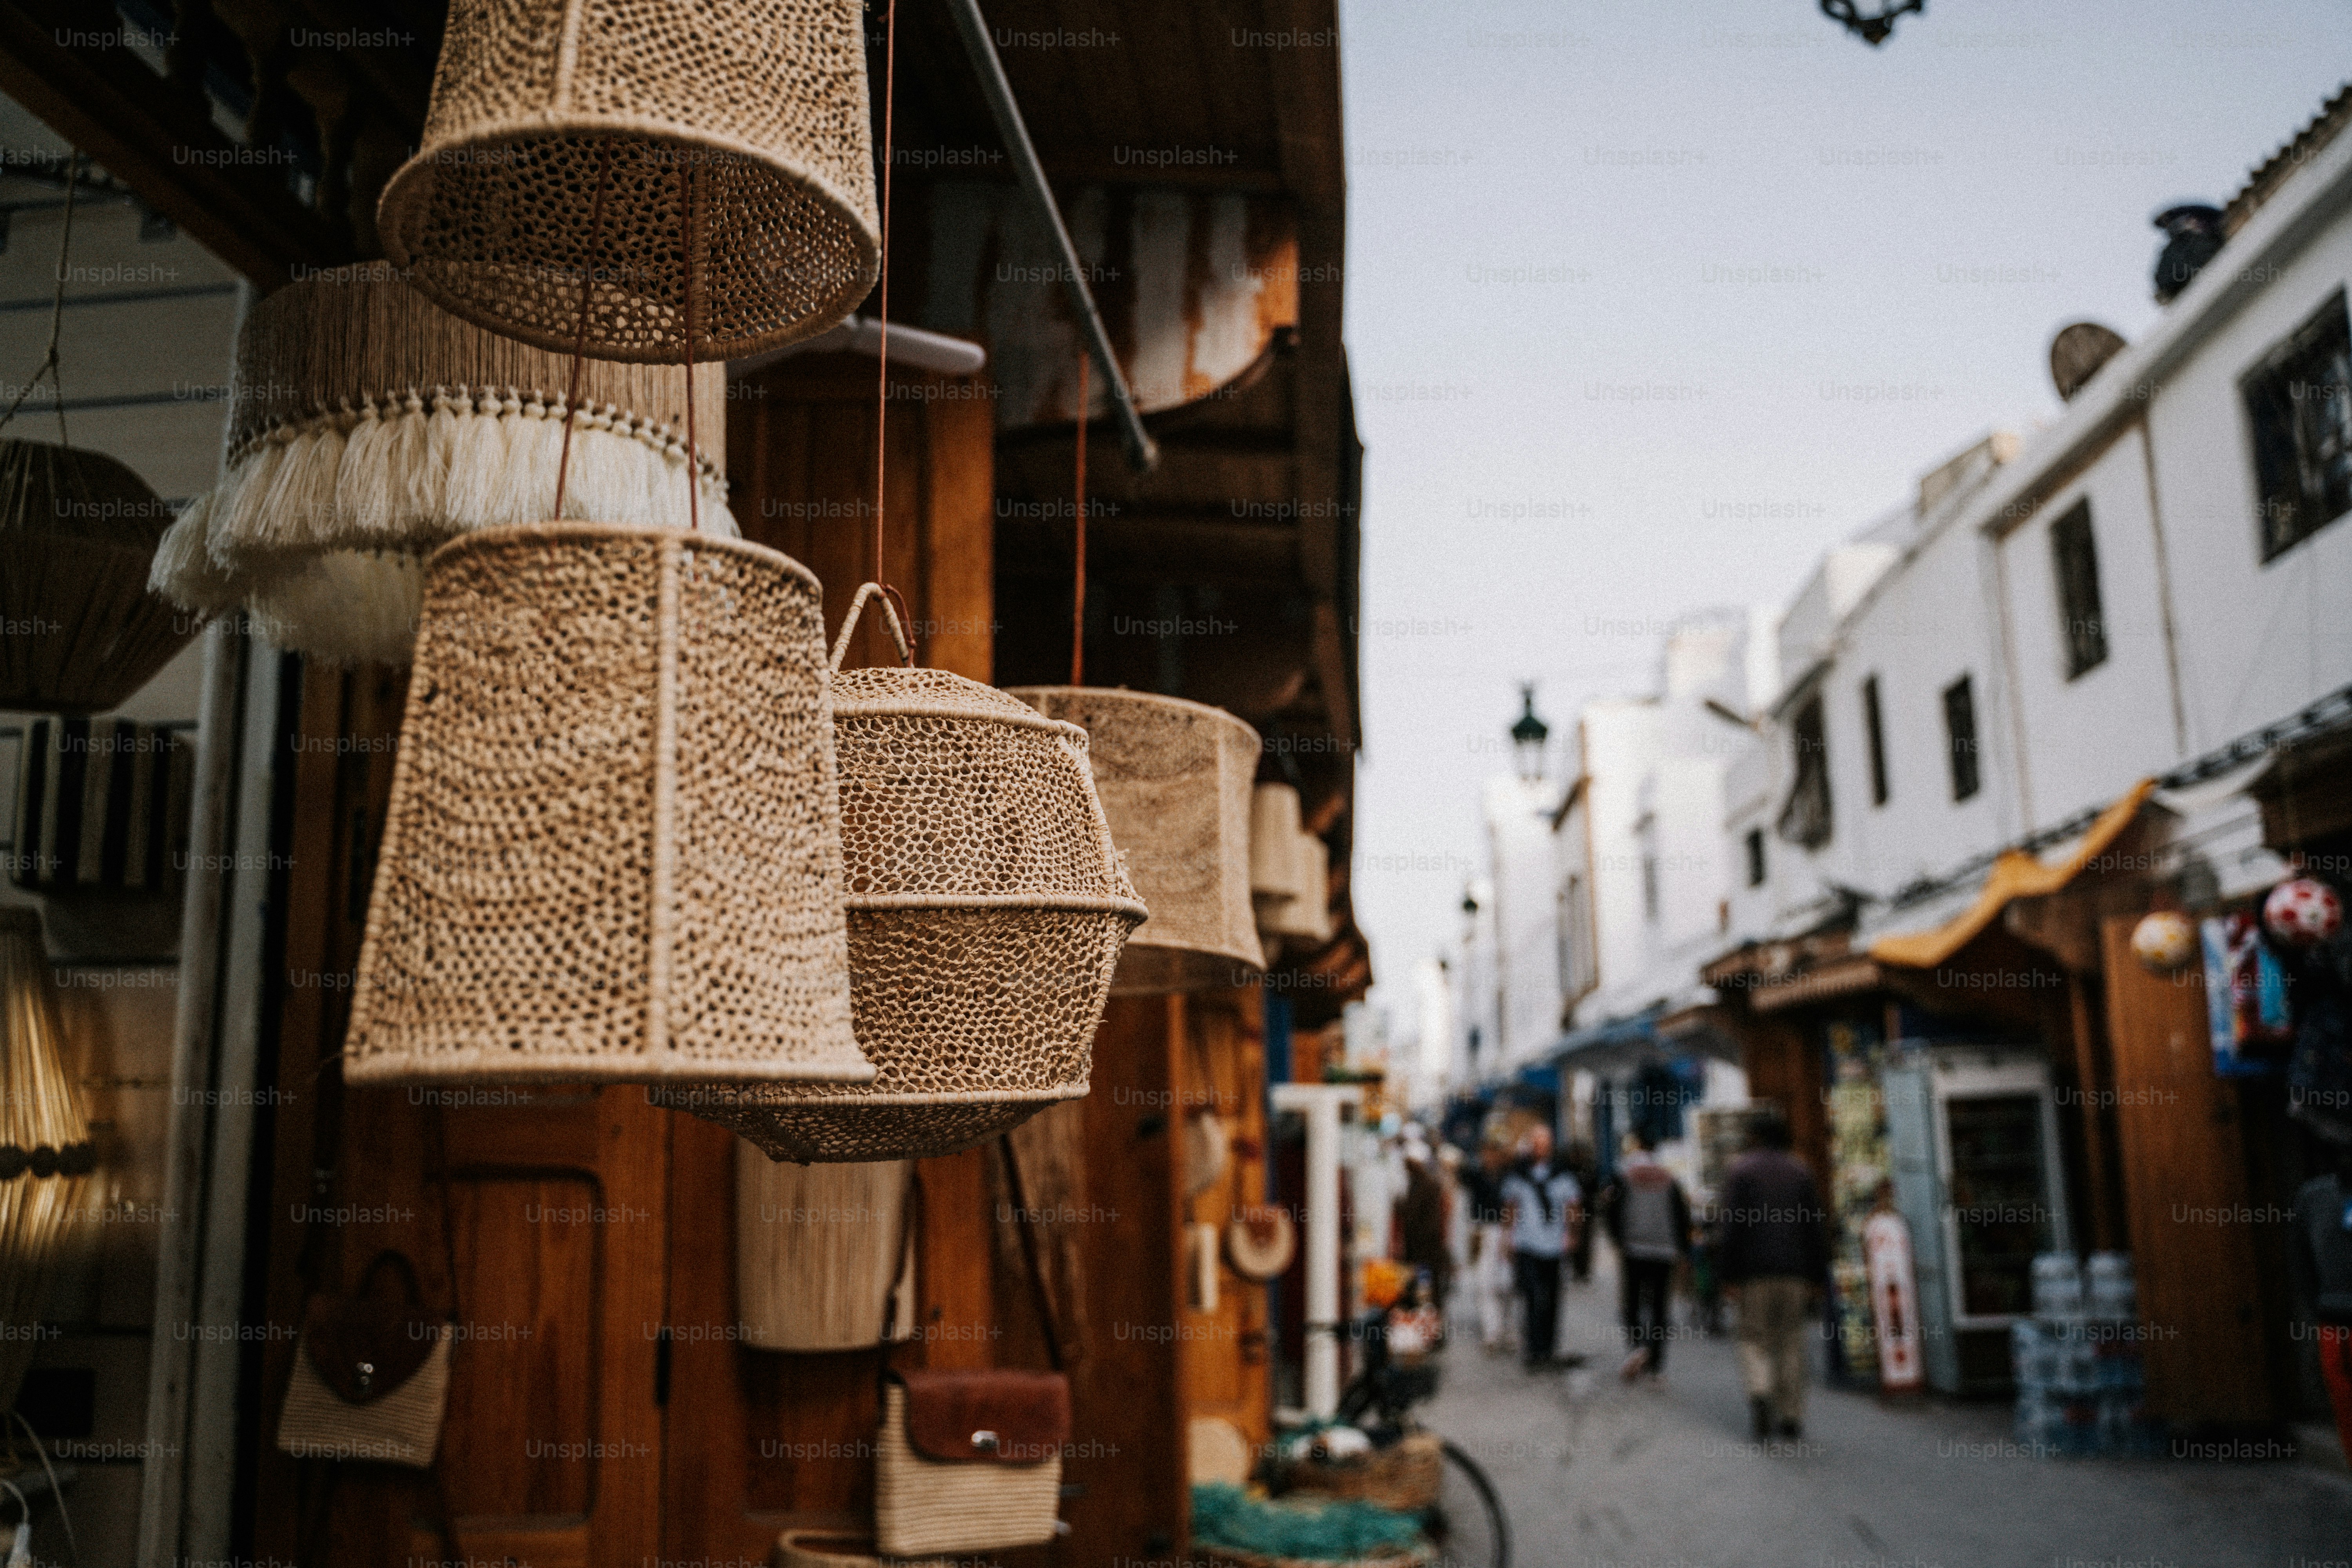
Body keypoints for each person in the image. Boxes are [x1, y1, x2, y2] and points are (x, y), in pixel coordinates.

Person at [1716, 1111, 1830, 1439]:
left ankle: (1761, 1393)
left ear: (1755, 1137)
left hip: (1754, 1274)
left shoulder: (1741, 1172)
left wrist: (1728, 1275)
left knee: (1754, 1339)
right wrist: (1817, 1275)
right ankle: (1791, 1416)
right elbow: (1814, 1227)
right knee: (1792, 1341)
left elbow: (1732, 1228)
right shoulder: (1800, 1172)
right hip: (1794, 1272)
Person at [1599, 1130, 1690, 1382]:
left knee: (1632, 1303)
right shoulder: (1670, 1178)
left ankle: (1639, 1346)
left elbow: (1610, 1209)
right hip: (1664, 1251)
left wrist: (1618, 1239)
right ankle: (1657, 1364)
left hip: (1634, 1250)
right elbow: (1682, 1216)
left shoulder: (1623, 1175)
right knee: (1660, 1307)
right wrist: (1683, 1251)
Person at [1499, 1125, 1580, 1369]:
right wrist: (1507, 1239)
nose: (1541, 1147)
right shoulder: (1519, 1174)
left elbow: (1573, 1208)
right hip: (1527, 1245)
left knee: (1553, 1299)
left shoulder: (1563, 1174)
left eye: (1545, 1142)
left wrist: (1573, 1235)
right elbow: (1510, 1208)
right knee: (1533, 1297)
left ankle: (1548, 1348)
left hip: (1555, 1246)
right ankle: (1534, 1350)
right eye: (1537, 1142)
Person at [2289, 1151, 2352, 1463]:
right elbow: (2301, 1258)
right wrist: (2317, 1303)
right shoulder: (2315, 1197)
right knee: (2343, 1402)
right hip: (2334, 1319)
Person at [1464, 1129, 1516, 1354]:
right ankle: (1492, 1333)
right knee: (1484, 1284)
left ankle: (1505, 1328)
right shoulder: (1475, 1175)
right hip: (1481, 1231)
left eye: (1494, 1152)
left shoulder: (1509, 1176)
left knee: (1506, 1284)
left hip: (1505, 1231)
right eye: (1486, 1152)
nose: (1490, 1157)